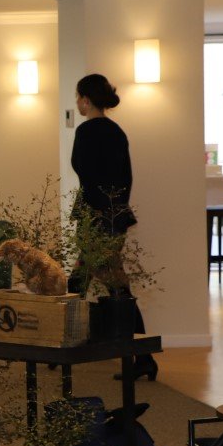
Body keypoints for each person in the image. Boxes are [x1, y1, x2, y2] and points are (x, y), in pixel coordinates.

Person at [70, 73, 157, 381]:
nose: (77, 103)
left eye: (78, 97)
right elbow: (125, 178)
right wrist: (114, 213)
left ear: (86, 99)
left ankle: (141, 356)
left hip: (95, 220)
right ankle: (140, 356)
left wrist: (94, 219)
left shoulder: (86, 131)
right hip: (113, 217)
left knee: (112, 289)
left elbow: (84, 173)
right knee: (88, 283)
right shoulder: (117, 132)